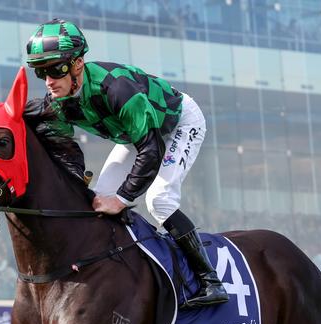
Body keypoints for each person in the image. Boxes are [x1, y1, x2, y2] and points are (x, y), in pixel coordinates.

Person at [24, 19, 228, 308]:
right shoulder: (58, 100)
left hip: (177, 123)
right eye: (40, 72)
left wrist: (122, 199)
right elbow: (62, 147)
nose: (48, 80)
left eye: (56, 69)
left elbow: (151, 149)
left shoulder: (118, 89)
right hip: (135, 135)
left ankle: (210, 281)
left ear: (78, 64)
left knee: (160, 199)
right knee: (96, 200)